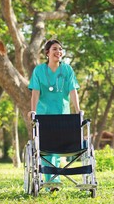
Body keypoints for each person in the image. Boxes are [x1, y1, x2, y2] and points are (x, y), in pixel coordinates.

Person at [27, 39, 81, 192]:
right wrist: (33, 111)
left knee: (57, 149)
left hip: (62, 114)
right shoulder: (39, 71)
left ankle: (52, 182)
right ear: (47, 53)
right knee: (48, 148)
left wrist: (78, 111)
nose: (59, 52)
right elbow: (35, 93)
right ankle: (51, 181)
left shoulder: (67, 70)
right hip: (44, 115)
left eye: (60, 49)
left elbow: (73, 91)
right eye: (55, 49)